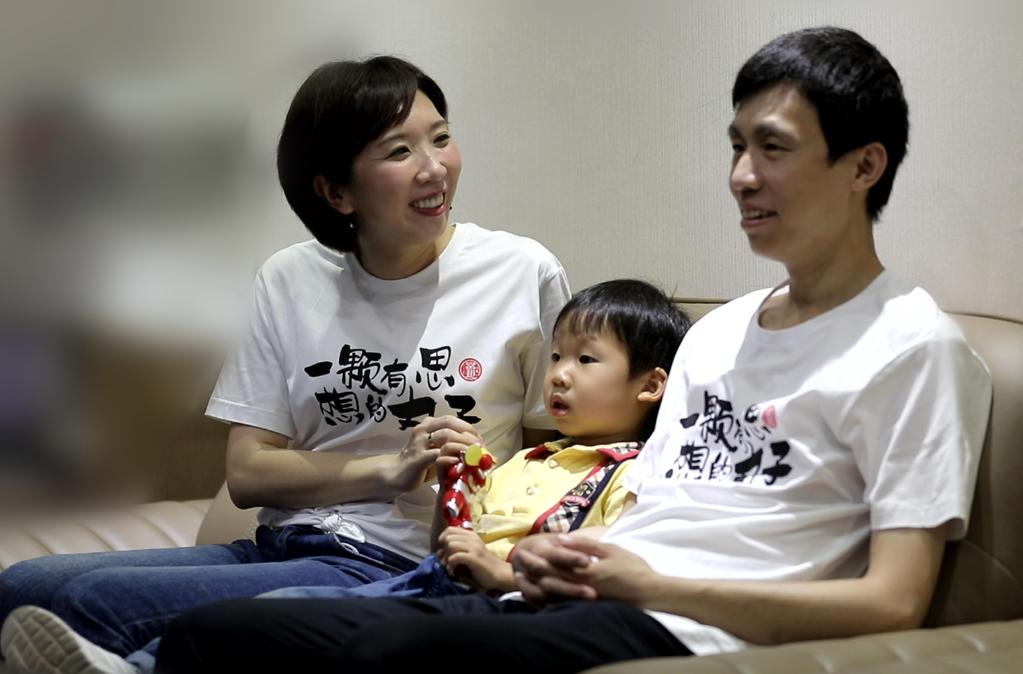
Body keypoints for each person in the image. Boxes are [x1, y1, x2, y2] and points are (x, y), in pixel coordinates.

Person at [151, 26, 992, 674]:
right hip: (568, 595)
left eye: (771, 147)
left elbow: (893, 604)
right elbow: (631, 499)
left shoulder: (912, 348)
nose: (741, 175)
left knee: (384, 656)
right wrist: (527, 562)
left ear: (863, 165)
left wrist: (646, 584)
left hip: (682, 630)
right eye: (736, 146)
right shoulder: (718, 334)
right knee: (214, 636)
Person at [0, 55, 572, 671]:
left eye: (441, 138)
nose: (434, 168)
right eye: (399, 151)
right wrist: (390, 469)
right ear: (336, 191)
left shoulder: (520, 273)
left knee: (92, 603)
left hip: (402, 565)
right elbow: (248, 472)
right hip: (283, 543)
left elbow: (568, 452)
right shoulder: (289, 278)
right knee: (20, 585)